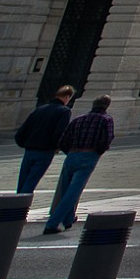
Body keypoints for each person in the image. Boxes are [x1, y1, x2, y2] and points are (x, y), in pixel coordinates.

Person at [43, 94, 115, 234]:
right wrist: (97, 151)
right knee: (73, 192)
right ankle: (52, 224)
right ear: (106, 106)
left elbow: (63, 140)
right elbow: (107, 139)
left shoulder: (78, 119)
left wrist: (71, 151)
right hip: (89, 155)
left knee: (65, 190)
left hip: (71, 155)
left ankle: (68, 219)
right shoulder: (106, 119)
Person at [14, 86, 75, 196]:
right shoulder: (64, 111)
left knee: (22, 182)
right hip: (45, 151)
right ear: (67, 97)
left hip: (29, 150)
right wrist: (60, 148)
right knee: (31, 182)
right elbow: (59, 133)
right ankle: (21, 205)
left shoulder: (40, 109)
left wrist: (24, 144)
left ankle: (15, 203)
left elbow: (22, 131)